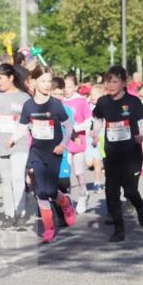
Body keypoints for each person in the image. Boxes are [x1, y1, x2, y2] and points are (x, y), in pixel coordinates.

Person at [10, 65, 76, 243]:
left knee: (51, 190)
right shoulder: (28, 105)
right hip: (37, 153)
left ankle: (65, 203)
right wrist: (13, 139)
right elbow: (23, 127)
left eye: (49, 81)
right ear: (34, 82)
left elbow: (69, 126)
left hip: (54, 152)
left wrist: (63, 145)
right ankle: (49, 228)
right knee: (40, 192)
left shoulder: (55, 104)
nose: (47, 85)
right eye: (43, 81)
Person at [91, 65, 143, 242]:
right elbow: (97, 119)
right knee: (111, 191)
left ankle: (140, 207)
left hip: (131, 153)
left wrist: (141, 135)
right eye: (108, 81)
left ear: (124, 83)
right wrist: (95, 133)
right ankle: (119, 229)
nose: (110, 84)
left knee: (130, 191)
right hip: (111, 153)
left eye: (115, 81)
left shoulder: (133, 102)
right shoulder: (103, 102)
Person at [0, 64, 32, 229]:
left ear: (11, 78)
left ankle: (21, 213)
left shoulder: (24, 98)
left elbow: (32, 121)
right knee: (6, 181)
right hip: (0, 145)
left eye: (0, 78)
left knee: (18, 178)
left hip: (20, 144)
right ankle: (9, 215)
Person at [63, 73, 93, 213]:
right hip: (64, 141)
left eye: (69, 86)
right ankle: (65, 201)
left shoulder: (81, 101)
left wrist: (75, 128)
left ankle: (83, 194)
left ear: (75, 87)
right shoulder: (60, 101)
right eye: (64, 86)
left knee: (79, 171)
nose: (66, 89)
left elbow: (89, 121)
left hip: (78, 140)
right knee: (65, 171)